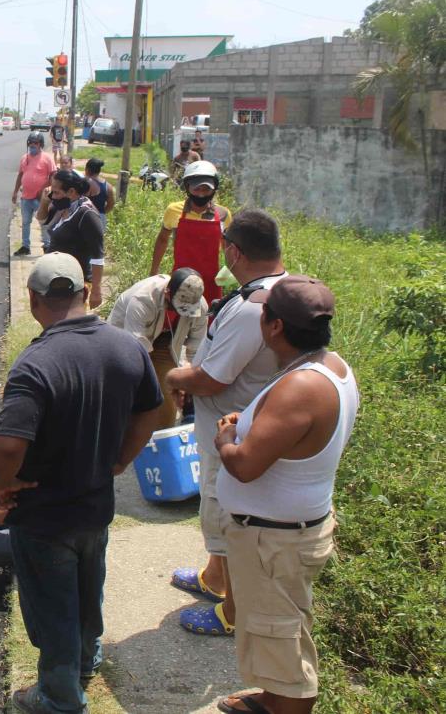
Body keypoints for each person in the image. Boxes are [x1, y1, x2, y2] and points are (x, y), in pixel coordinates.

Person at [0, 253, 164, 714]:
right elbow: (152, 409)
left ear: (33, 299)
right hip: (96, 505)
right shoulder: (127, 347)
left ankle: (60, 698)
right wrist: (123, 458)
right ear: (86, 291)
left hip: (45, 515)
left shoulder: (37, 363)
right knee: (89, 591)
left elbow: (8, 444)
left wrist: (1, 488)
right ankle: (87, 659)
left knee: (53, 609)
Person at [214, 275, 357, 714]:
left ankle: (286, 702)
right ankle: (271, 697)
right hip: (283, 534)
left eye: (263, 314)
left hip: (274, 543)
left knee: (284, 644)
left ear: (275, 327)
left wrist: (226, 439)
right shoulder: (330, 366)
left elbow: (244, 466)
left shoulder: (301, 387)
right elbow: (293, 437)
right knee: (278, 633)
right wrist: (255, 423)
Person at [165, 210, 288, 637]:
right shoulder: (275, 290)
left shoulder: (252, 307)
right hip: (230, 422)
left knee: (226, 512)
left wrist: (176, 376)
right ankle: (214, 577)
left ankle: (231, 612)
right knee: (215, 507)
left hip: (231, 430)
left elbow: (213, 377)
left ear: (234, 252)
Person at [109, 268, 208, 430]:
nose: (182, 312)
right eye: (179, 307)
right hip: (127, 338)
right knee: (131, 388)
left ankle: (163, 435)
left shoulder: (199, 306)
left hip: (165, 338)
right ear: (168, 293)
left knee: (167, 389)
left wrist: (187, 381)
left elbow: (197, 350)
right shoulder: (142, 300)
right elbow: (136, 352)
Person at [149, 160, 232, 305]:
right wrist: (153, 272)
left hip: (211, 282)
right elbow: (163, 239)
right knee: (175, 321)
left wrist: (231, 271)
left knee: (207, 321)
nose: (201, 194)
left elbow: (228, 248)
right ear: (187, 188)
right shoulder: (173, 210)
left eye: (206, 189)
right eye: (196, 189)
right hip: (181, 279)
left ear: (214, 189)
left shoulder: (223, 214)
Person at [37, 169, 105, 309]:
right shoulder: (63, 207)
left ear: (71, 192)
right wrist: (44, 202)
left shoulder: (87, 215)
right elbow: (42, 218)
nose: (53, 196)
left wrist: (96, 292)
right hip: (57, 279)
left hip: (76, 284)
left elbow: (98, 256)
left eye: (56, 192)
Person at [11, 132, 57, 256]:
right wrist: (15, 192)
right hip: (26, 197)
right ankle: (25, 246)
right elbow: (21, 175)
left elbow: (53, 175)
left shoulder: (47, 158)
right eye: (30, 142)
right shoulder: (24, 158)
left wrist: (46, 189)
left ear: (40, 144)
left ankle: (47, 245)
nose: (32, 145)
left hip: (40, 197)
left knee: (44, 221)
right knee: (25, 222)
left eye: (35, 143)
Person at [84, 158, 116, 222]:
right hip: (100, 218)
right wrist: (100, 212)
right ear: (99, 170)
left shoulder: (84, 182)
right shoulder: (108, 186)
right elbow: (111, 205)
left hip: (85, 216)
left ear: (87, 169)